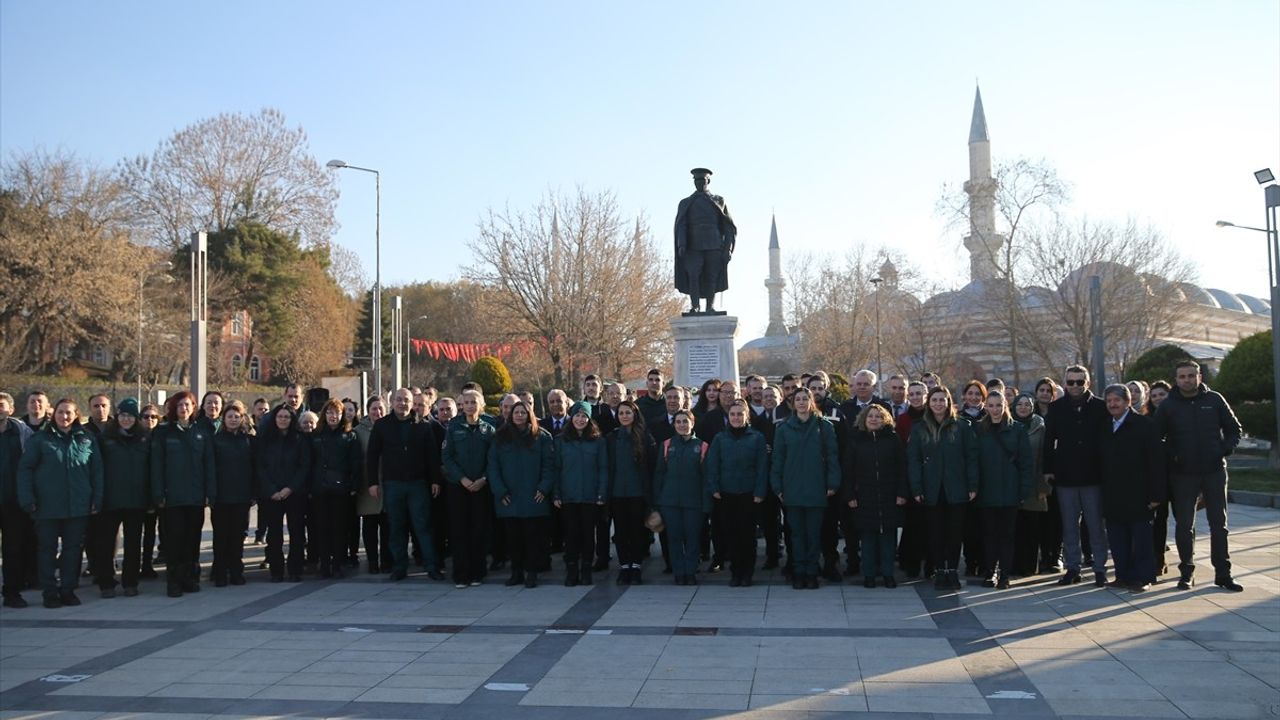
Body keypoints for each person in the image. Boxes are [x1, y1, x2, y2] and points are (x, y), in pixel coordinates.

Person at [1155, 360, 1244, 592]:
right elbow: (1156, 437)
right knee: (1185, 525)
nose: (1187, 380)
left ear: (1199, 377)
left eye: (1191, 375)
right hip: (1183, 474)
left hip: (1214, 471)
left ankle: (1223, 574)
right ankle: (1186, 573)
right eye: (1182, 376)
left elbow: (1235, 429)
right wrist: (1174, 456)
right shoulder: (1168, 406)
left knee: (1219, 525)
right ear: (1176, 380)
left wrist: (1223, 450)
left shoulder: (1214, 400)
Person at [17, 398, 102, 609]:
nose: (65, 417)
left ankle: (68, 590)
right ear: (54, 414)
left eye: (69, 413)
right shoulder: (40, 440)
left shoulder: (87, 439)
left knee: (73, 550)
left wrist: (96, 499)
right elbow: (25, 470)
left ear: (76, 416)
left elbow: (97, 472)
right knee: (47, 550)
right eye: (61, 412)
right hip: (47, 506)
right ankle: (50, 592)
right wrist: (28, 499)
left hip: (78, 506)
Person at [368, 388, 445, 583]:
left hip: (418, 484)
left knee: (423, 527)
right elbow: (372, 456)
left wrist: (435, 480)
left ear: (413, 403)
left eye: (407, 400)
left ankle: (431, 567)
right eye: (399, 400)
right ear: (392, 402)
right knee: (396, 528)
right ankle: (399, 567)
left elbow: (432, 456)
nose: (403, 403)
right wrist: (372, 483)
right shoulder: (382, 426)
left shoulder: (423, 425)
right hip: (393, 484)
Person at [1044, 365, 1110, 587]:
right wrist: (1048, 469)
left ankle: (1100, 568)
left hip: (1093, 475)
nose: (1075, 386)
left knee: (1095, 525)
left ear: (1087, 383)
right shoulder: (1056, 408)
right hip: (1066, 475)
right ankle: (1073, 567)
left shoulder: (1101, 407)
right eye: (1070, 382)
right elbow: (1048, 441)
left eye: (1079, 382)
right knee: (1069, 526)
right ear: (1064, 383)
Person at [907, 387, 978, 591]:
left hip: (956, 487)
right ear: (929, 403)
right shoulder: (919, 427)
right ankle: (939, 570)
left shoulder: (962, 426)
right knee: (935, 532)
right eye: (934, 400)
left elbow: (971, 457)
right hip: (931, 488)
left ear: (949, 402)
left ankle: (952, 570)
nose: (938, 404)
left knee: (955, 533)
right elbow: (913, 459)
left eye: (942, 400)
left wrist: (973, 484)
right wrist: (917, 487)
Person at [771, 387, 840, 590]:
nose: (801, 402)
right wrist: (777, 486)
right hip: (791, 489)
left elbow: (832, 457)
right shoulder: (783, 428)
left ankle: (812, 572)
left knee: (813, 533)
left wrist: (832, 483)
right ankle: (798, 571)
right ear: (793, 404)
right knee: (796, 534)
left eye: (805, 399)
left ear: (811, 402)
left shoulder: (824, 426)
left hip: (816, 488)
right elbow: (778, 460)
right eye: (798, 399)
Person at [1100, 384, 1166, 593]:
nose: (1112, 404)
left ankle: (1144, 577)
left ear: (1128, 402)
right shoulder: (1104, 426)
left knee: (1141, 538)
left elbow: (1157, 462)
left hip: (1139, 493)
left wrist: (1157, 494)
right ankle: (1123, 575)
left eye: (1116, 400)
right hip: (1113, 493)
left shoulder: (1144, 425)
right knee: (1118, 539)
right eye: (1109, 401)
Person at [150, 392, 215, 597]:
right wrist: (158, 493)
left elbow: (209, 465)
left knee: (192, 540)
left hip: (195, 497)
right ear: (173, 408)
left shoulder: (202, 431)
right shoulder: (163, 433)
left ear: (194, 407)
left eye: (187, 405)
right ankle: (174, 581)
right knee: (174, 540)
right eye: (180, 405)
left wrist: (209, 492)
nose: (184, 409)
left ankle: (190, 577)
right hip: (172, 497)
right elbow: (156, 465)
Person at [487, 400, 554, 588]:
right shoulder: (500, 437)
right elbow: (493, 466)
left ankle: (531, 572)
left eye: (523, 413)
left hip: (534, 497)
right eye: (516, 412)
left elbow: (549, 466)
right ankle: (516, 572)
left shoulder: (542, 437)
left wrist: (543, 488)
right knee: (513, 539)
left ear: (529, 414)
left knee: (533, 538)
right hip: (509, 498)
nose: (519, 416)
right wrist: (500, 491)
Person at [843, 404, 908, 589]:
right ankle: (869, 575)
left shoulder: (893, 439)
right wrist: (850, 495)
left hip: (889, 496)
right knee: (868, 539)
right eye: (870, 416)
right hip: (863, 496)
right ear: (864, 419)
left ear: (884, 419)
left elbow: (902, 468)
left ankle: (888, 574)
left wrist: (902, 493)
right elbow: (848, 471)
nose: (873, 419)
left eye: (878, 416)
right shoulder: (856, 440)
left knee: (888, 539)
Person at [973, 392, 1034, 589]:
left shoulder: (1017, 429)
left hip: (1010, 490)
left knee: (1007, 535)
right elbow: (973, 461)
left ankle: (1005, 574)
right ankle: (990, 572)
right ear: (986, 407)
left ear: (1005, 405)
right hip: (987, 491)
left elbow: (1026, 462)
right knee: (989, 534)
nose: (995, 409)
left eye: (998, 405)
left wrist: (1024, 490)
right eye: (991, 405)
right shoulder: (979, 429)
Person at [91, 398, 150, 597]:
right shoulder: (106, 438)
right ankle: (106, 582)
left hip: (136, 500)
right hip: (111, 500)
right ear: (117, 417)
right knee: (106, 544)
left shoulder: (145, 438)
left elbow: (151, 470)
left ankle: (130, 582)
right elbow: (97, 469)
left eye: (131, 416)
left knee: (133, 544)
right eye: (123, 415)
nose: (126, 419)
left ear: (136, 418)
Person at [706, 400, 767, 587]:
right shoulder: (720, 438)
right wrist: (714, 487)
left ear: (746, 415)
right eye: (733, 414)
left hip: (748, 494)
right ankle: (735, 572)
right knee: (731, 535)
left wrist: (759, 491)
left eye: (740, 414)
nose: (736, 417)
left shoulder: (756, 438)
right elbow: (713, 465)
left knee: (747, 536)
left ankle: (747, 572)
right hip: (726, 494)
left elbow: (762, 467)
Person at [442, 389, 496, 588]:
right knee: (459, 531)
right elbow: (447, 457)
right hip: (459, 487)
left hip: (481, 487)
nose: (470, 405)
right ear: (462, 405)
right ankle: (461, 573)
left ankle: (477, 573)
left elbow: (493, 458)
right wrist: (462, 479)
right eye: (467, 402)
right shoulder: (453, 427)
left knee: (478, 530)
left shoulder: (489, 429)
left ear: (480, 405)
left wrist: (483, 478)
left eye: (474, 402)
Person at [553, 401, 608, 586]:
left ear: (589, 418)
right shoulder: (561, 440)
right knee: (570, 535)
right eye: (577, 415)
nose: (580, 419)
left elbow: (603, 469)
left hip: (590, 496)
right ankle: (571, 571)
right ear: (571, 417)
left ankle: (586, 570)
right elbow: (557, 469)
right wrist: (557, 493)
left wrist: (601, 493)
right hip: (568, 496)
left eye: (584, 416)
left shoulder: (598, 441)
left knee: (587, 535)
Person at [255, 404, 310, 583]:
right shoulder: (265, 439)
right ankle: (276, 570)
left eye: (287, 417)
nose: (283, 420)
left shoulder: (300, 439)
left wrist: (290, 488)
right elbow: (259, 466)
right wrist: (272, 489)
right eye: (280, 416)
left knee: (296, 533)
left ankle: (295, 569)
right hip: (271, 495)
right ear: (274, 418)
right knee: (274, 534)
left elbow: (304, 466)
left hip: (294, 493)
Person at [654, 408, 709, 585]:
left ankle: (690, 571)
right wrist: (657, 501)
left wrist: (706, 503)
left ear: (692, 423)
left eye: (685, 421)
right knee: (674, 537)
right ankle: (679, 572)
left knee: (692, 537)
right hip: (670, 502)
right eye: (678, 422)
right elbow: (659, 475)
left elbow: (706, 478)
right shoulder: (666, 445)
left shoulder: (702, 446)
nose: (682, 425)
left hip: (694, 502)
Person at [606, 400, 656, 585]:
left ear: (635, 414)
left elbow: (651, 466)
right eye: (621, 413)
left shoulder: (644, 437)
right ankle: (624, 566)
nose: (625, 416)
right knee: (620, 532)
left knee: (636, 532)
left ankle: (635, 566)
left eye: (628, 412)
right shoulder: (612, 438)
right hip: (617, 493)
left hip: (638, 493)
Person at [310, 398, 362, 579]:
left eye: (337, 413)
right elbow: (310, 462)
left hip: (342, 489)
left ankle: (338, 563)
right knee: (322, 528)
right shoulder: (316, 435)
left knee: (340, 529)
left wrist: (353, 485)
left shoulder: (350, 436)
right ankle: (324, 564)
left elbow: (355, 463)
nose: (333, 416)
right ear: (324, 414)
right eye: (330, 412)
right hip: (320, 489)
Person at [673, 167, 736, 314]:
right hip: (692, 245)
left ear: (708, 181)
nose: (699, 183)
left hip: (714, 243)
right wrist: (681, 243)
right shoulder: (686, 203)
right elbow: (681, 224)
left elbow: (728, 227)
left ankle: (710, 307)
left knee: (711, 275)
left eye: (702, 180)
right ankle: (695, 306)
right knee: (693, 275)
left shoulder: (718, 201)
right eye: (696, 180)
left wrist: (728, 248)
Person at [209, 400, 253, 587]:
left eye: (237, 417)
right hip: (221, 497)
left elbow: (253, 468)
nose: (233, 420)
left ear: (242, 418)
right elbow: (210, 468)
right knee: (221, 537)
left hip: (242, 497)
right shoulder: (216, 440)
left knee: (237, 537)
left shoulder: (248, 441)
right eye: (229, 417)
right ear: (223, 419)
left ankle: (236, 571)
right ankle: (220, 572)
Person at [0, 392, 36, 608]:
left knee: (13, 548)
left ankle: (12, 592)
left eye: (2, 405)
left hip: (14, 501)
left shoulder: (23, 433)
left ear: (11, 410)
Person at [1011, 394, 1052, 577]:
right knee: (1015, 529)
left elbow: (1045, 458)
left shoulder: (1040, 426)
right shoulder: (1008, 425)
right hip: (1012, 485)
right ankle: (1013, 565)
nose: (1023, 407)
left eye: (1027, 404)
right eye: (1019, 404)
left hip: (1035, 486)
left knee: (1033, 529)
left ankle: (1029, 566)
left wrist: (1044, 488)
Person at [896, 381, 930, 579]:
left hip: (931, 475)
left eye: (919, 393)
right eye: (913, 394)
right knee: (912, 523)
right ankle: (910, 561)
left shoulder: (932, 415)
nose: (916, 397)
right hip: (911, 475)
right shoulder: (903, 419)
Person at [354, 396, 390, 574]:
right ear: (368, 411)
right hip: (368, 484)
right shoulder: (358, 431)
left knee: (386, 526)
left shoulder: (390, 427)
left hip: (387, 482)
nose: (378, 412)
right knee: (369, 526)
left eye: (381, 408)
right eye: (374, 409)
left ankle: (386, 560)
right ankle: (372, 561)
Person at [1146, 379, 1173, 572]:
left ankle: (1187, 562)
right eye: (1154, 395)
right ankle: (1158, 558)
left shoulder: (1180, 415)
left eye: (1162, 394)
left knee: (1185, 521)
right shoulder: (1148, 421)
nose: (1158, 398)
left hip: (1181, 474)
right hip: (1159, 476)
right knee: (1159, 519)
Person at [136, 404, 163, 578]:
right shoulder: (136, 438)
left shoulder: (161, 437)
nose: (150, 420)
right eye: (146, 417)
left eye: (154, 417)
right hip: (139, 492)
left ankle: (147, 563)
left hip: (158, 492)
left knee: (151, 532)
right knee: (136, 532)